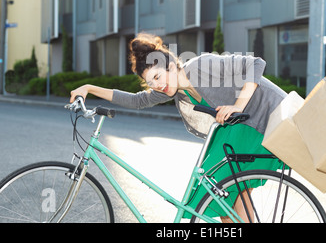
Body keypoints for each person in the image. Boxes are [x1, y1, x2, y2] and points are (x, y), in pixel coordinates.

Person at [70, 33, 287, 222]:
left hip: (265, 116)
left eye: (158, 76)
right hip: (242, 126)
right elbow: (137, 101)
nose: (158, 86)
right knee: (220, 192)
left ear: (172, 66)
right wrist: (89, 88)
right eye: (151, 83)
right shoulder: (173, 89)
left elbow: (255, 63)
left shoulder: (200, 66)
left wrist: (237, 105)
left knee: (220, 187)